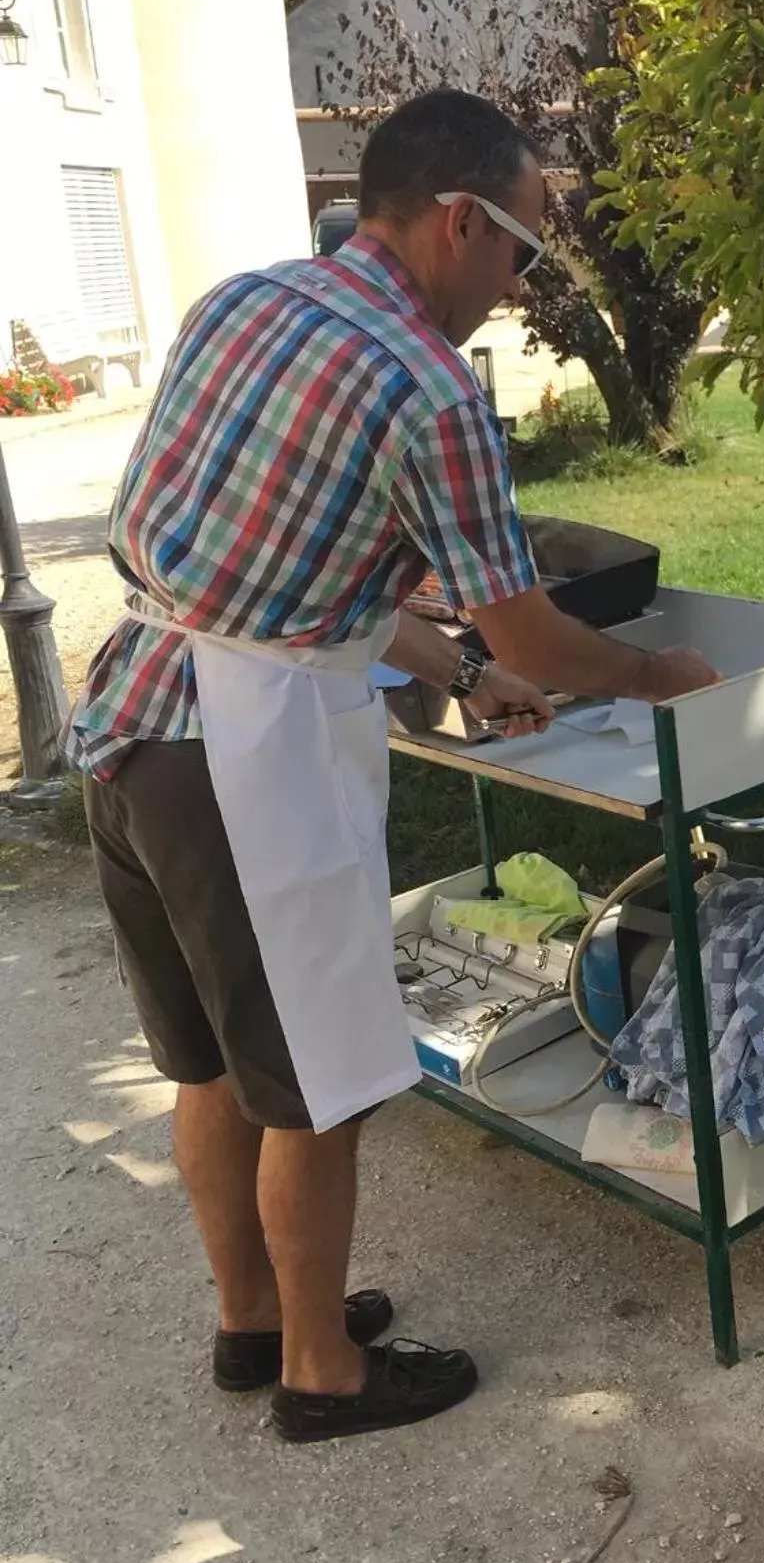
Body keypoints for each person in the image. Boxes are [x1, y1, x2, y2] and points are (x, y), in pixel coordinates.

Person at [67, 89, 719, 1444]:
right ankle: (324, 1375)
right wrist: (658, 674)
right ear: (458, 220)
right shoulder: (427, 387)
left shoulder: (240, 303)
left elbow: (279, 578)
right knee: (317, 1083)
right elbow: (534, 621)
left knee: (211, 1065)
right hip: (244, 762)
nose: (520, 289)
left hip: (131, 720)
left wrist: (465, 675)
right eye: (525, 254)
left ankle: (254, 1321)